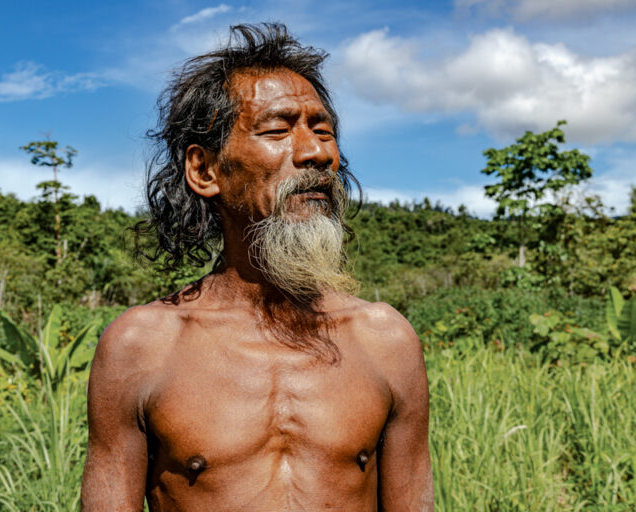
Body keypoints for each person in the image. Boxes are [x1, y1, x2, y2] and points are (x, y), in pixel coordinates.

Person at [81, 23, 433, 512]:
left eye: (323, 129)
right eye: (277, 129)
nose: (316, 153)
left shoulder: (386, 340)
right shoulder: (140, 347)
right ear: (205, 171)